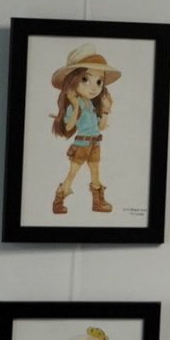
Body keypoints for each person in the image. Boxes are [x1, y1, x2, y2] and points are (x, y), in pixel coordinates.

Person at [47, 45, 120, 215]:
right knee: (72, 174)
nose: (94, 87)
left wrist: (106, 110)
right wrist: (74, 106)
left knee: (95, 173)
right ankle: (58, 200)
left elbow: (100, 127)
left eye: (99, 82)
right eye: (86, 79)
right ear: (73, 80)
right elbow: (69, 126)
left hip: (95, 143)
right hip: (82, 145)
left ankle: (97, 202)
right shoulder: (77, 103)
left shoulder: (92, 105)